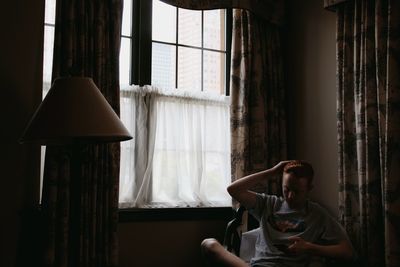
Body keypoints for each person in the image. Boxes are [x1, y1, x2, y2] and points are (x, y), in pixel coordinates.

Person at [201, 160, 354, 267]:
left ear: (309, 189)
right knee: (209, 244)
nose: (290, 196)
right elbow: (233, 190)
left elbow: (347, 251)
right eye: (286, 189)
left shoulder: (317, 214)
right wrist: (272, 172)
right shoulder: (269, 204)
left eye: (297, 191)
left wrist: (310, 247)